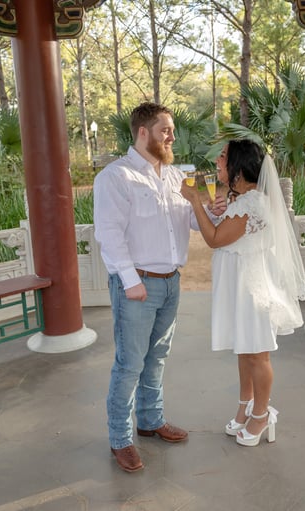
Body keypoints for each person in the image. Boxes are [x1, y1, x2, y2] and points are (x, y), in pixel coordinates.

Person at [93, 102, 223, 472]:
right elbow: (109, 235)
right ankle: (120, 439)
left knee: (158, 357)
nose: (171, 137)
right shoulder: (115, 177)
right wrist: (131, 282)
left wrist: (210, 211)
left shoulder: (176, 176)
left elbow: (190, 223)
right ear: (143, 132)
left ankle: (151, 420)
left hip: (170, 283)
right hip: (138, 286)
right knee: (130, 363)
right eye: (165, 130)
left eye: (172, 130)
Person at [180, 139, 305, 447]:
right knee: (244, 349)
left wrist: (195, 201)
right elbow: (227, 233)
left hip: (251, 289)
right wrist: (216, 208)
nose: (217, 161)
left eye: (223, 157)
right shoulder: (240, 199)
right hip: (238, 287)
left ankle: (262, 414)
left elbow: (214, 239)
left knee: (257, 354)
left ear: (238, 165)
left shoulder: (252, 203)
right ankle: (245, 406)